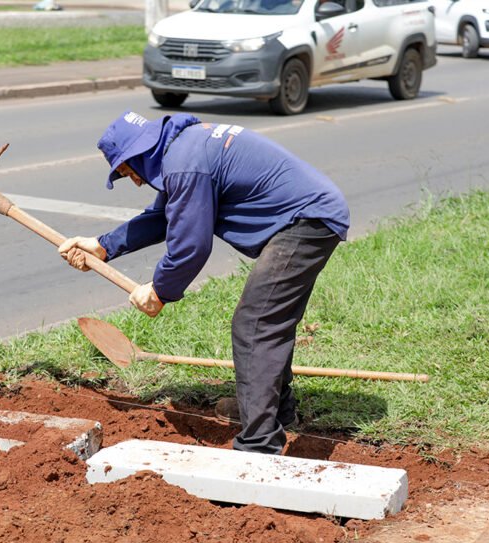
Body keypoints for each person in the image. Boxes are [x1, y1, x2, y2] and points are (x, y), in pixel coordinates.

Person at [58, 111, 350, 455]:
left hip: (306, 222)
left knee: (255, 324)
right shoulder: (185, 147)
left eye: (126, 171)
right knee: (268, 320)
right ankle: (273, 414)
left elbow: (191, 246)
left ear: (138, 155)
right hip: (307, 217)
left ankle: (259, 446)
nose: (133, 181)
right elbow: (164, 216)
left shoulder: (185, 163)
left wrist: (160, 291)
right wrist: (104, 245)